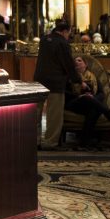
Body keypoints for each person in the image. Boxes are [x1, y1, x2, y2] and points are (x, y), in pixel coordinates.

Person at [33, 21, 80, 151]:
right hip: (55, 82)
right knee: (54, 114)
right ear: (65, 31)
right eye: (68, 34)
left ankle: (34, 140)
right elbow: (68, 64)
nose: (68, 36)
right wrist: (78, 80)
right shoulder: (62, 43)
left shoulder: (44, 40)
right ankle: (49, 142)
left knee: (36, 112)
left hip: (39, 79)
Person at [65, 56, 110, 144]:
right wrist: (79, 96)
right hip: (73, 103)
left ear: (85, 65)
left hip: (90, 104)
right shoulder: (69, 77)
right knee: (86, 98)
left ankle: (84, 139)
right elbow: (65, 93)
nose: (76, 62)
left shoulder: (93, 77)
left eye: (79, 60)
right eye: (75, 61)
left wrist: (92, 99)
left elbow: (101, 94)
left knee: (94, 110)